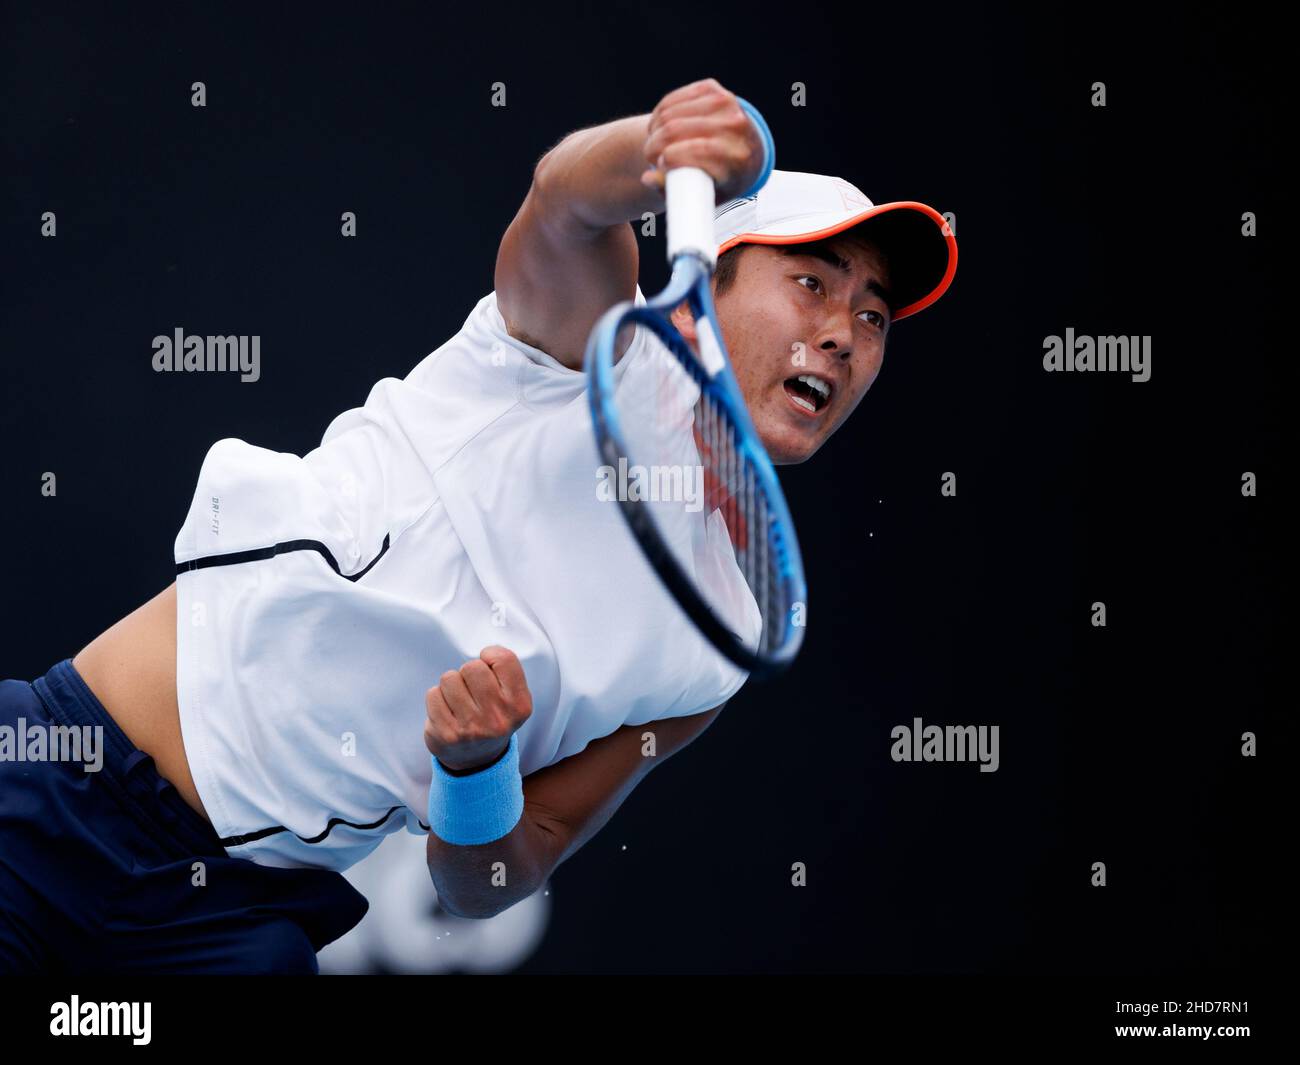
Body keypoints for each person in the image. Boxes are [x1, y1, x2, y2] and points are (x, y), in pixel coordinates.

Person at [0, 78, 956, 973]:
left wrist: (476, 769)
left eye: (874, 318)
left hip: (234, 920)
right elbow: (566, 197)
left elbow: (498, 871)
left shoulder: (719, 644)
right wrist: (660, 143)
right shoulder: (581, 343)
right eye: (813, 283)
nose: (843, 331)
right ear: (710, 289)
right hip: (61, 785)